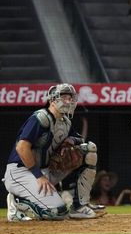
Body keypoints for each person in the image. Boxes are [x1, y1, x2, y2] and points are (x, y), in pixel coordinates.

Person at [3, 83, 101, 221]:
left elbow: (80, 138)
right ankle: (17, 202)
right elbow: (21, 147)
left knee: (89, 150)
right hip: (22, 172)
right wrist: (39, 176)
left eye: (71, 97)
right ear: (53, 100)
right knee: (58, 212)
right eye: (65, 97)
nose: (69, 101)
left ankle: (79, 206)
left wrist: (71, 140)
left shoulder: (65, 122)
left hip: (46, 170)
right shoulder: (40, 118)